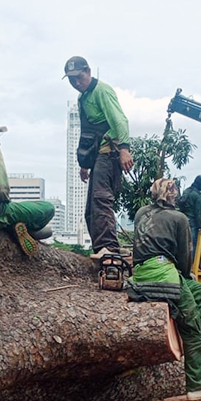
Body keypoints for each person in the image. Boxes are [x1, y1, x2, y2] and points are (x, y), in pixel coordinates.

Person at [126, 178, 201, 401]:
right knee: (194, 326)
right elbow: (183, 256)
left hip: (140, 274)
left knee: (199, 292)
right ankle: (197, 387)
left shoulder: (141, 213)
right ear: (173, 194)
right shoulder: (179, 218)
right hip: (163, 276)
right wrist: (187, 274)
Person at [64, 56, 133, 256]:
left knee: (101, 200)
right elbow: (87, 132)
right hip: (96, 156)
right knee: (90, 210)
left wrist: (124, 149)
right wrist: (84, 163)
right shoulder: (82, 98)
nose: (76, 83)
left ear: (88, 72)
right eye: (71, 80)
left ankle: (109, 250)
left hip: (110, 153)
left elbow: (120, 121)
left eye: (79, 77)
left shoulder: (102, 91)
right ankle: (100, 250)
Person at [178, 175, 201, 239]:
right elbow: (197, 212)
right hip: (192, 222)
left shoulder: (186, 191)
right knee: (192, 244)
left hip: (182, 219)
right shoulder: (198, 195)